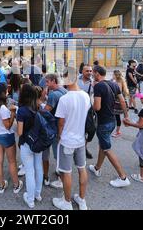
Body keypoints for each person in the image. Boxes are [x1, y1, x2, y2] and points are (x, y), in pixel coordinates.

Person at [52, 68, 90, 210]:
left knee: (66, 171)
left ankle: (67, 202)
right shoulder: (85, 96)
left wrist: (60, 135)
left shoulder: (64, 99)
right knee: (82, 168)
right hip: (80, 139)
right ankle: (82, 199)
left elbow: (61, 123)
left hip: (67, 140)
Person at [89, 65, 131, 188]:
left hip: (103, 122)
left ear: (97, 74)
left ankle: (123, 177)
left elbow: (97, 107)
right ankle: (97, 168)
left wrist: (90, 103)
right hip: (112, 120)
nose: (92, 74)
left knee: (107, 148)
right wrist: (126, 116)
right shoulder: (113, 84)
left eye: (93, 73)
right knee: (103, 145)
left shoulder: (98, 86)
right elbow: (123, 101)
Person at [0, 83, 24, 194]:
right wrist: (12, 113)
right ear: (4, 92)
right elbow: (7, 125)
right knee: (12, 162)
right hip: (5, 136)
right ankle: (16, 185)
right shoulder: (2, 108)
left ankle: (1, 185)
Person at [17, 84, 43, 208]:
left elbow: (20, 132)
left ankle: (30, 199)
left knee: (29, 171)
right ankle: (38, 194)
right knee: (38, 167)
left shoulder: (21, 110)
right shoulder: (39, 107)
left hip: (26, 144)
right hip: (38, 142)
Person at [43, 73, 68, 188]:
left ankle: (61, 178)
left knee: (55, 152)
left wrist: (40, 104)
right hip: (62, 125)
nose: (46, 84)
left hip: (54, 126)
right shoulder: (63, 90)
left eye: (47, 82)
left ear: (53, 81)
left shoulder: (53, 95)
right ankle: (60, 172)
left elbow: (45, 111)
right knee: (59, 151)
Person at [78, 64, 94, 159]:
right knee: (79, 130)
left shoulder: (93, 82)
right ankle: (80, 149)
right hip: (76, 109)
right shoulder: (76, 80)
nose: (89, 73)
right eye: (87, 71)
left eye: (90, 71)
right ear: (82, 72)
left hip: (87, 110)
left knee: (90, 129)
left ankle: (84, 146)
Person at [112, 70, 129, 138]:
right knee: (116, 117)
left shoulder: (118, 82)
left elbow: (117, 92)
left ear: (115, 75)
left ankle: (117, 131)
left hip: (118, 102)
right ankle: (117, 131)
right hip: (119, 101)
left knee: (117, 117)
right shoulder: (120, 81)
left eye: (113, 74)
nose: (112, 76)